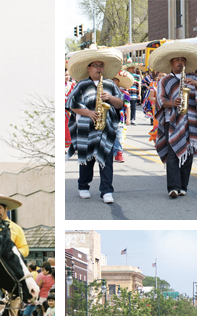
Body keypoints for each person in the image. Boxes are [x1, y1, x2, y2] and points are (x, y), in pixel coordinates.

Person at [66, 45, 126, 204]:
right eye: (95, 65)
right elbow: (71, 104)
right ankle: (83, 186)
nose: (99, 68)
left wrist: (110, 98)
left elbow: (120, 104)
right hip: (86, 128)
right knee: (87, 160)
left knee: (107, 160)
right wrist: (88, 113)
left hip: (106, 128)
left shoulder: (110, 84)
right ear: (89, 68)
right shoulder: (82, 85)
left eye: (101, 65)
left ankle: (107, 191)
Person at [150, 41, 197, 198]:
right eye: (177, 60)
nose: (180, 63)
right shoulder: (165, 80)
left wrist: (194, 83)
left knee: (188, 154)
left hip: (192, 121)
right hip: (173, 121)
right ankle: (173, 188)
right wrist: (173, 103)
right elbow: (161, 101)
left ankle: (183, 186)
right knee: (173, 154)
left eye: (182, 60)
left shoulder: (194, 77)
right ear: (171, 63)